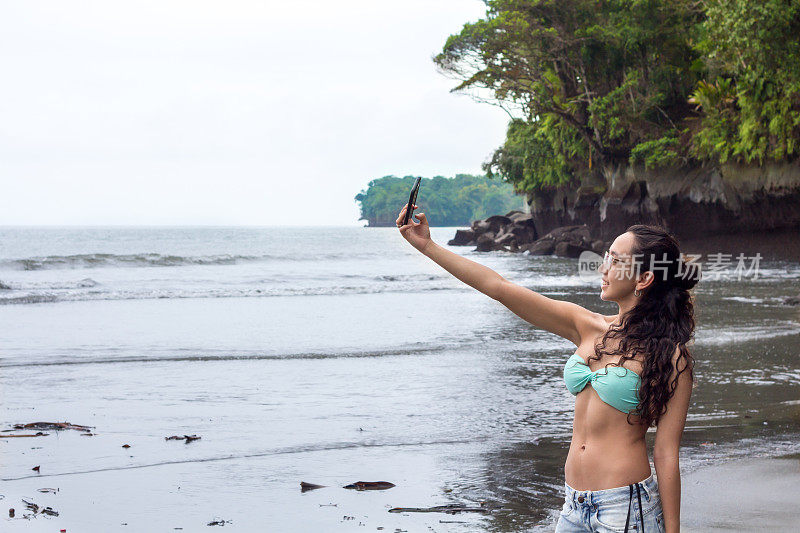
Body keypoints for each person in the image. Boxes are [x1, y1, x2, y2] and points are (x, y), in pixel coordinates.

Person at [396, 204, 699, 533]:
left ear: (644, 279)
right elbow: (498, 287)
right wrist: (427, 246)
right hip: (573, 506)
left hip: (624, 507)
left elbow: (667, 453)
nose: (604, 267)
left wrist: (673, 530)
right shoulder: (585, 325)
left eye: (616, 261)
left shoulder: (671, 357)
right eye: (606, 257)